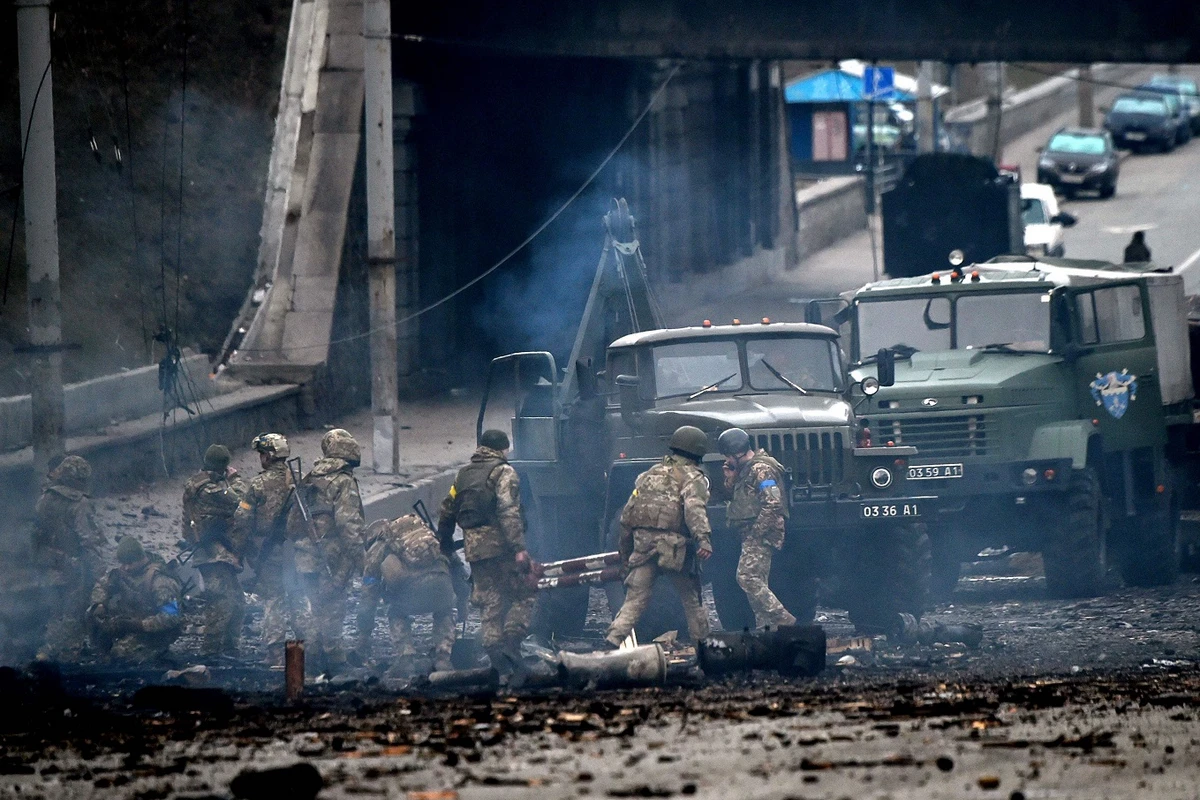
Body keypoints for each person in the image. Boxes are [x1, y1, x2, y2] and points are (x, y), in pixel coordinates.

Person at [437, 429, 535, 678]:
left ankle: (496, 656)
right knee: (523, 592)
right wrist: (519, 548)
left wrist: (446, 543)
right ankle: (512, 645)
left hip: (474, 548)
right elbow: (507, 510)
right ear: (503, 449)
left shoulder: (463, 475)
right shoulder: (503, 472)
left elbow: (447, 510)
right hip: (500, 545)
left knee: (489, 600)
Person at [605, 425, 714, 648]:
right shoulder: (693, 477)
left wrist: (625, 553)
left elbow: (628, 514)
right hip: (673, 549)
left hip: (644, 545)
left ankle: (612, 640)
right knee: (690, 598)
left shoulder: (648, 475)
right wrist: (703, 539)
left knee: (634, 600)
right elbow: (694, 509)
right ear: (698, 452)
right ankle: (703, 646)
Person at [287, 428, 365, 675]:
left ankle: (309, 664)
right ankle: (336, 662)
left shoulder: (309, 478)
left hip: (304, 556)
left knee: (311, 607)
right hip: (332, 556)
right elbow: (349, 526)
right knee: (333, 608)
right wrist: (362, 562)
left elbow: (291, 525)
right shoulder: (343, 481)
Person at [234, 433, 309, 664]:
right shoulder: (298, 479)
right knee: (298, 596)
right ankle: (308, 645)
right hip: (296, 550)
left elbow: (242, 519)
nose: (261, 459)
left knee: (273, 599)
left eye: (261, 454)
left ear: (268, 456)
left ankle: (276, 652)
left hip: (268, 551)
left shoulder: (258, 485)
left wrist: (239, 550)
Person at [357, 514, 458, 676]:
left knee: (394, 610)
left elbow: (369, 595)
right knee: (446, 608)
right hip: (442, 585)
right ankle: (443, 657)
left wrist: (364, 633)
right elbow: (455, 565)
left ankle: (406, 657)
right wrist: (462, 600)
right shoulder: (423, 535)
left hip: (411, 594)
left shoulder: (378, 549)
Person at [717, 427, 798, 629]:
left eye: (728, 456)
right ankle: (766, 627)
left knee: (747, 577)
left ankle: (782, 619)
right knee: (758, 582)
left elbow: (773, 503)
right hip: (751, 531)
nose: (727, 460)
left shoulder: (762, 469)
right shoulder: (746, 470)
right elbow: (737, 496)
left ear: (736, 453)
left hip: (762, 531)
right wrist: (730, 478)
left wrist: (757, 533)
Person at [33, 455, 107, 661]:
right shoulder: (80, 504)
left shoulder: (45, 498)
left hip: (48, 564)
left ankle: (46, 649)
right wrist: (102, 574)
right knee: (73, 613)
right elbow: (90, 541)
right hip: (72, 567)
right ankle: (59, 654)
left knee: (53, 610)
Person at [181, 444, 246, 659]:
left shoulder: (196, 483)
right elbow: (241, 501)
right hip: (212, 552)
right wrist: (235, 479)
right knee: (220, 602)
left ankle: (229, 648)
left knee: (236, 600)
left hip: (215, 552)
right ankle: (210, 653)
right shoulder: (211, 490)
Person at [86, 536, 184, 664]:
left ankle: (158, 653)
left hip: (155, 633)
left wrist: (139, 625)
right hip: (130, 621)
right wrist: (99, 604)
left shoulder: (160, 581)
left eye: (130, 563)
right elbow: (101, 585)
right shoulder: (123, 572)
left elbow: (171, 617)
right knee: (91, 613)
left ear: (141, 558)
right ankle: (99, 651)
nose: (126, 568)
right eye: (123, 563)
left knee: (120, 655)